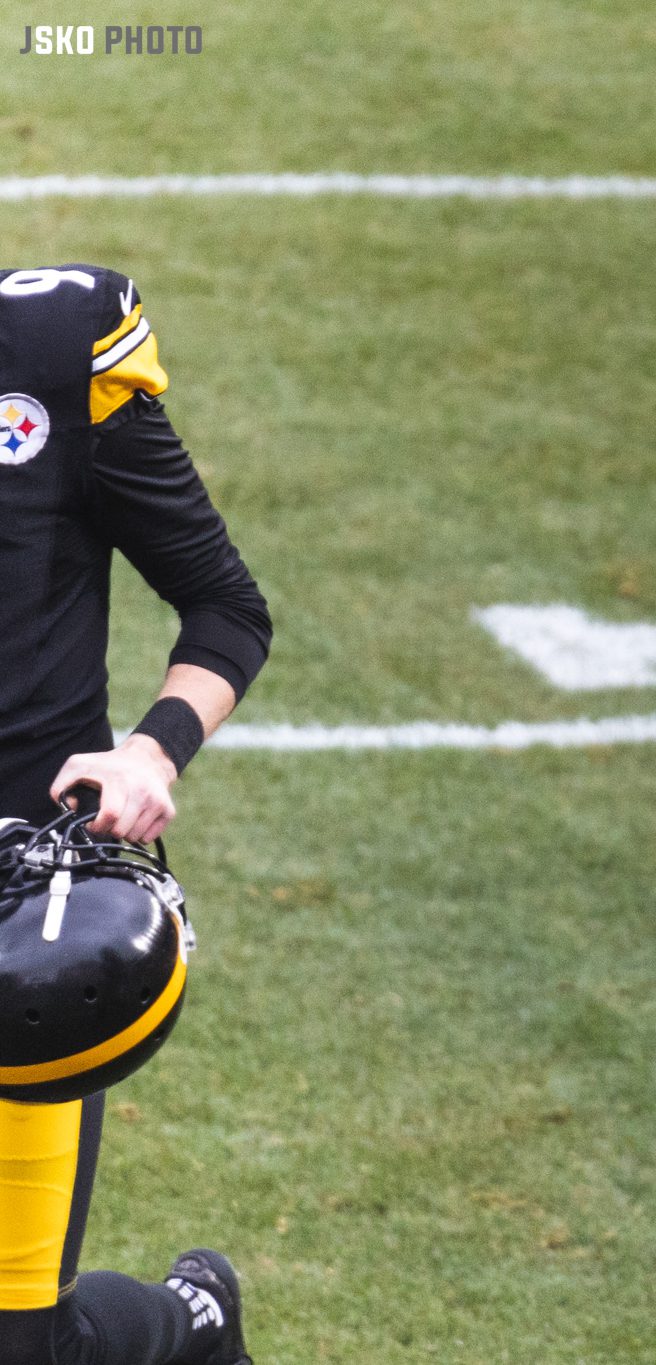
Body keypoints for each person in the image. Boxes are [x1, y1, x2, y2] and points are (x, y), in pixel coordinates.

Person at [0, 264, 269, 1365]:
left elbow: (224, 609)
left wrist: (152, 748)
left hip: (13, 921)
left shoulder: (55, 357)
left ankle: (191, 1329)